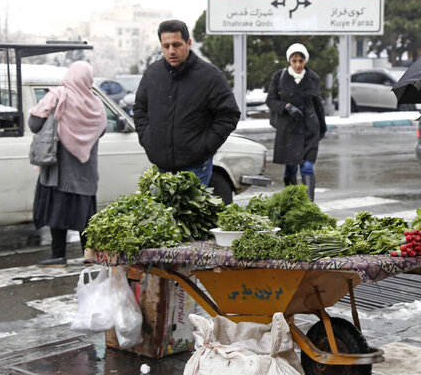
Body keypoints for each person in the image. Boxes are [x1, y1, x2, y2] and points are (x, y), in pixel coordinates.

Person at [133, 19, 240, 187]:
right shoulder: (152, 74)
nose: (171, 51)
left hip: (196, 167)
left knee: (190, 214)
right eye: (166, 46)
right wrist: (148, 140)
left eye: (177, 45)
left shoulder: (210, 76)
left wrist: (204, 147)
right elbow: (140, 109)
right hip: (161, 166)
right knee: (165, 213)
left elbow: (228, 115)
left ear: (189, 43)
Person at [29, 61, 107, 268]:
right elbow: (102, 130)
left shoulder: (57, 96)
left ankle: (58, 255)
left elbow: (34, 125)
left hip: (59, 169)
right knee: (86, 214)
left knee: (57, 209)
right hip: (84, 172)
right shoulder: (96, 103)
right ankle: (89, 254)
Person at [266, 43, 327, 201]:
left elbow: (318, 104)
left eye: (301, 60)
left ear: (305, 60)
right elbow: (271, 100)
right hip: (288, 130)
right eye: (294, 60)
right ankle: (293, 203)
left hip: (309, 129)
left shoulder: (313, 78)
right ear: (289, 61)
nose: (298, 64)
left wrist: (322, 126)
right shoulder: (279, 77)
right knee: (290, 169)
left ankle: (309, 206)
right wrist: (286, 106)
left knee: (307, 167)